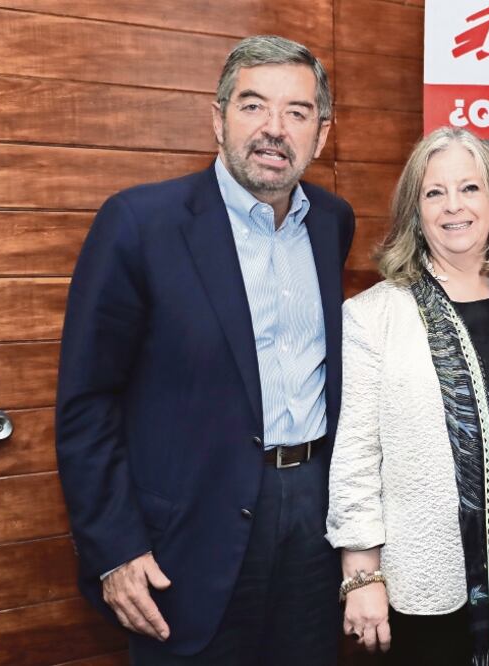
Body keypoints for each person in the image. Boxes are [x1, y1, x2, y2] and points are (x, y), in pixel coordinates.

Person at [55, 35, 354, 665]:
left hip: (312, 524)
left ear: (320, 136)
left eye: (297, 113)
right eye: (253, 107)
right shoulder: (140, 223)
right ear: (216, 118)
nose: (274, 130)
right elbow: (88, 403)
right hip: (189, 535)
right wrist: (114, 548)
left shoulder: (332, 222)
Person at [326, 126, 489, 666]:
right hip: (431, 570)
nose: (453, 206)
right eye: (434, 192)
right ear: (416, 212)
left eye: (470, 188)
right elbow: (355, 457)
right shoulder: (374, 315)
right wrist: (361, 575)